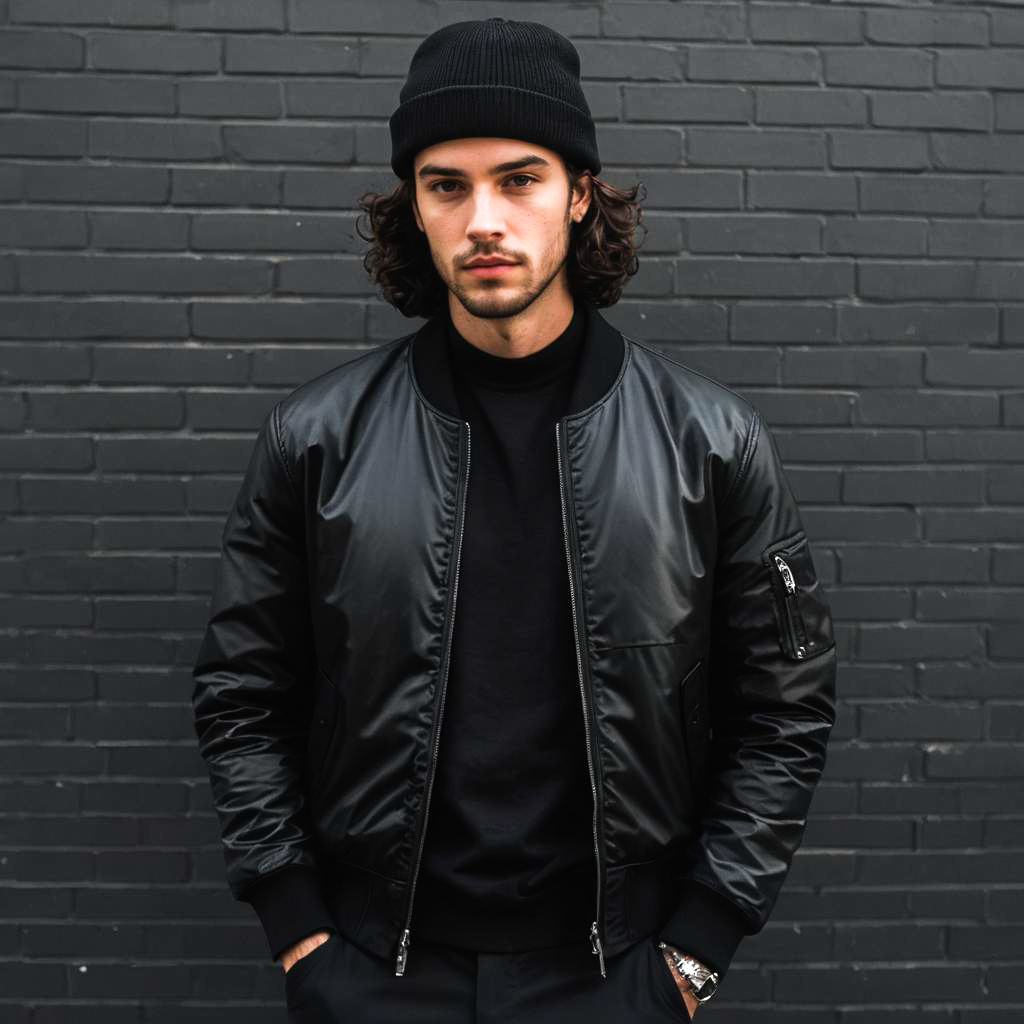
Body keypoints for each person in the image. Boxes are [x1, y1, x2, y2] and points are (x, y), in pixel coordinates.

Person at [191, 16, 838, 1023]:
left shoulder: (709, 442)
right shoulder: (315, 439)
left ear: (580, 194)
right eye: (446, 185)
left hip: (614, 975)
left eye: (519, 179)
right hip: (374, 973)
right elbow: (241, 692)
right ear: (414, 205)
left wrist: (697, 950)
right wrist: (300, 933)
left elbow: (783, 708)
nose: (482, 219)